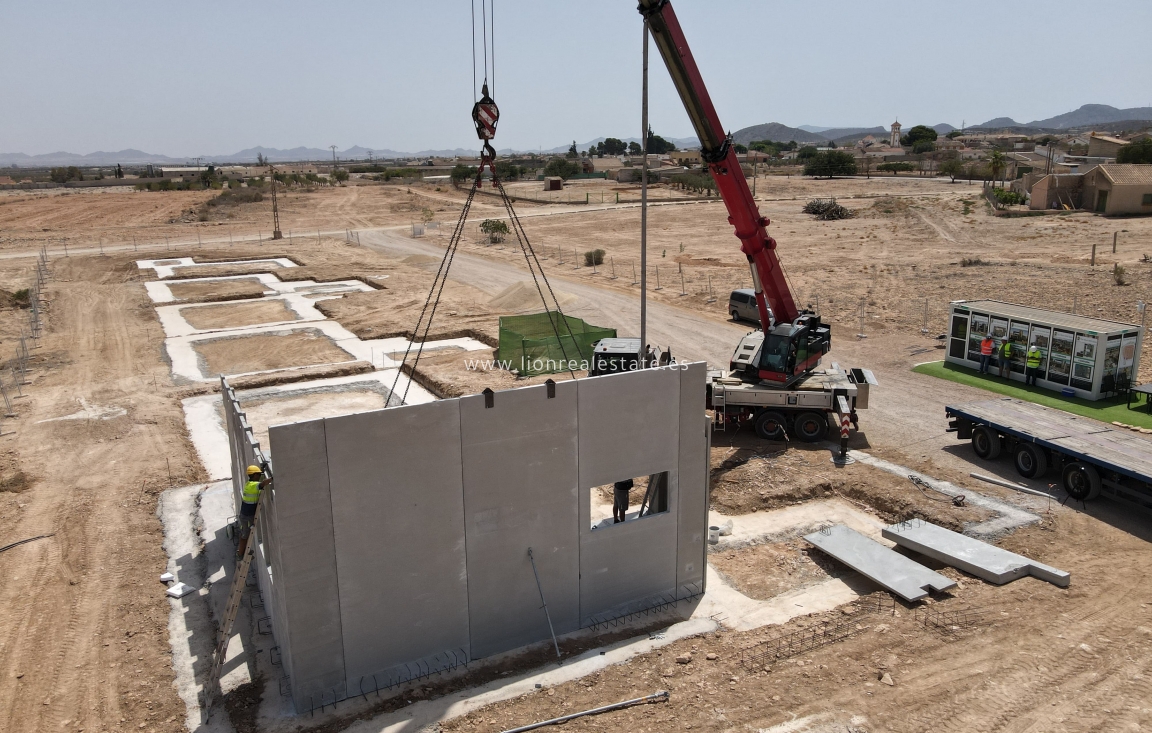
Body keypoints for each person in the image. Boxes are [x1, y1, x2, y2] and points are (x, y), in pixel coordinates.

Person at [236, 464, 272, 559]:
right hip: (248, 515)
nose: (260, 476)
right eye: (258, 474)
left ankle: (242, 552)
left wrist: (261, 469)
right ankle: (241, 554)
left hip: (244, 514)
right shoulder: (255, 485)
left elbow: (259, 481)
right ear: (254, 475)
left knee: (245, 533)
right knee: (245, 534)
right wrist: (274, 477)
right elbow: (263, 483)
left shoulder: (249, 484)